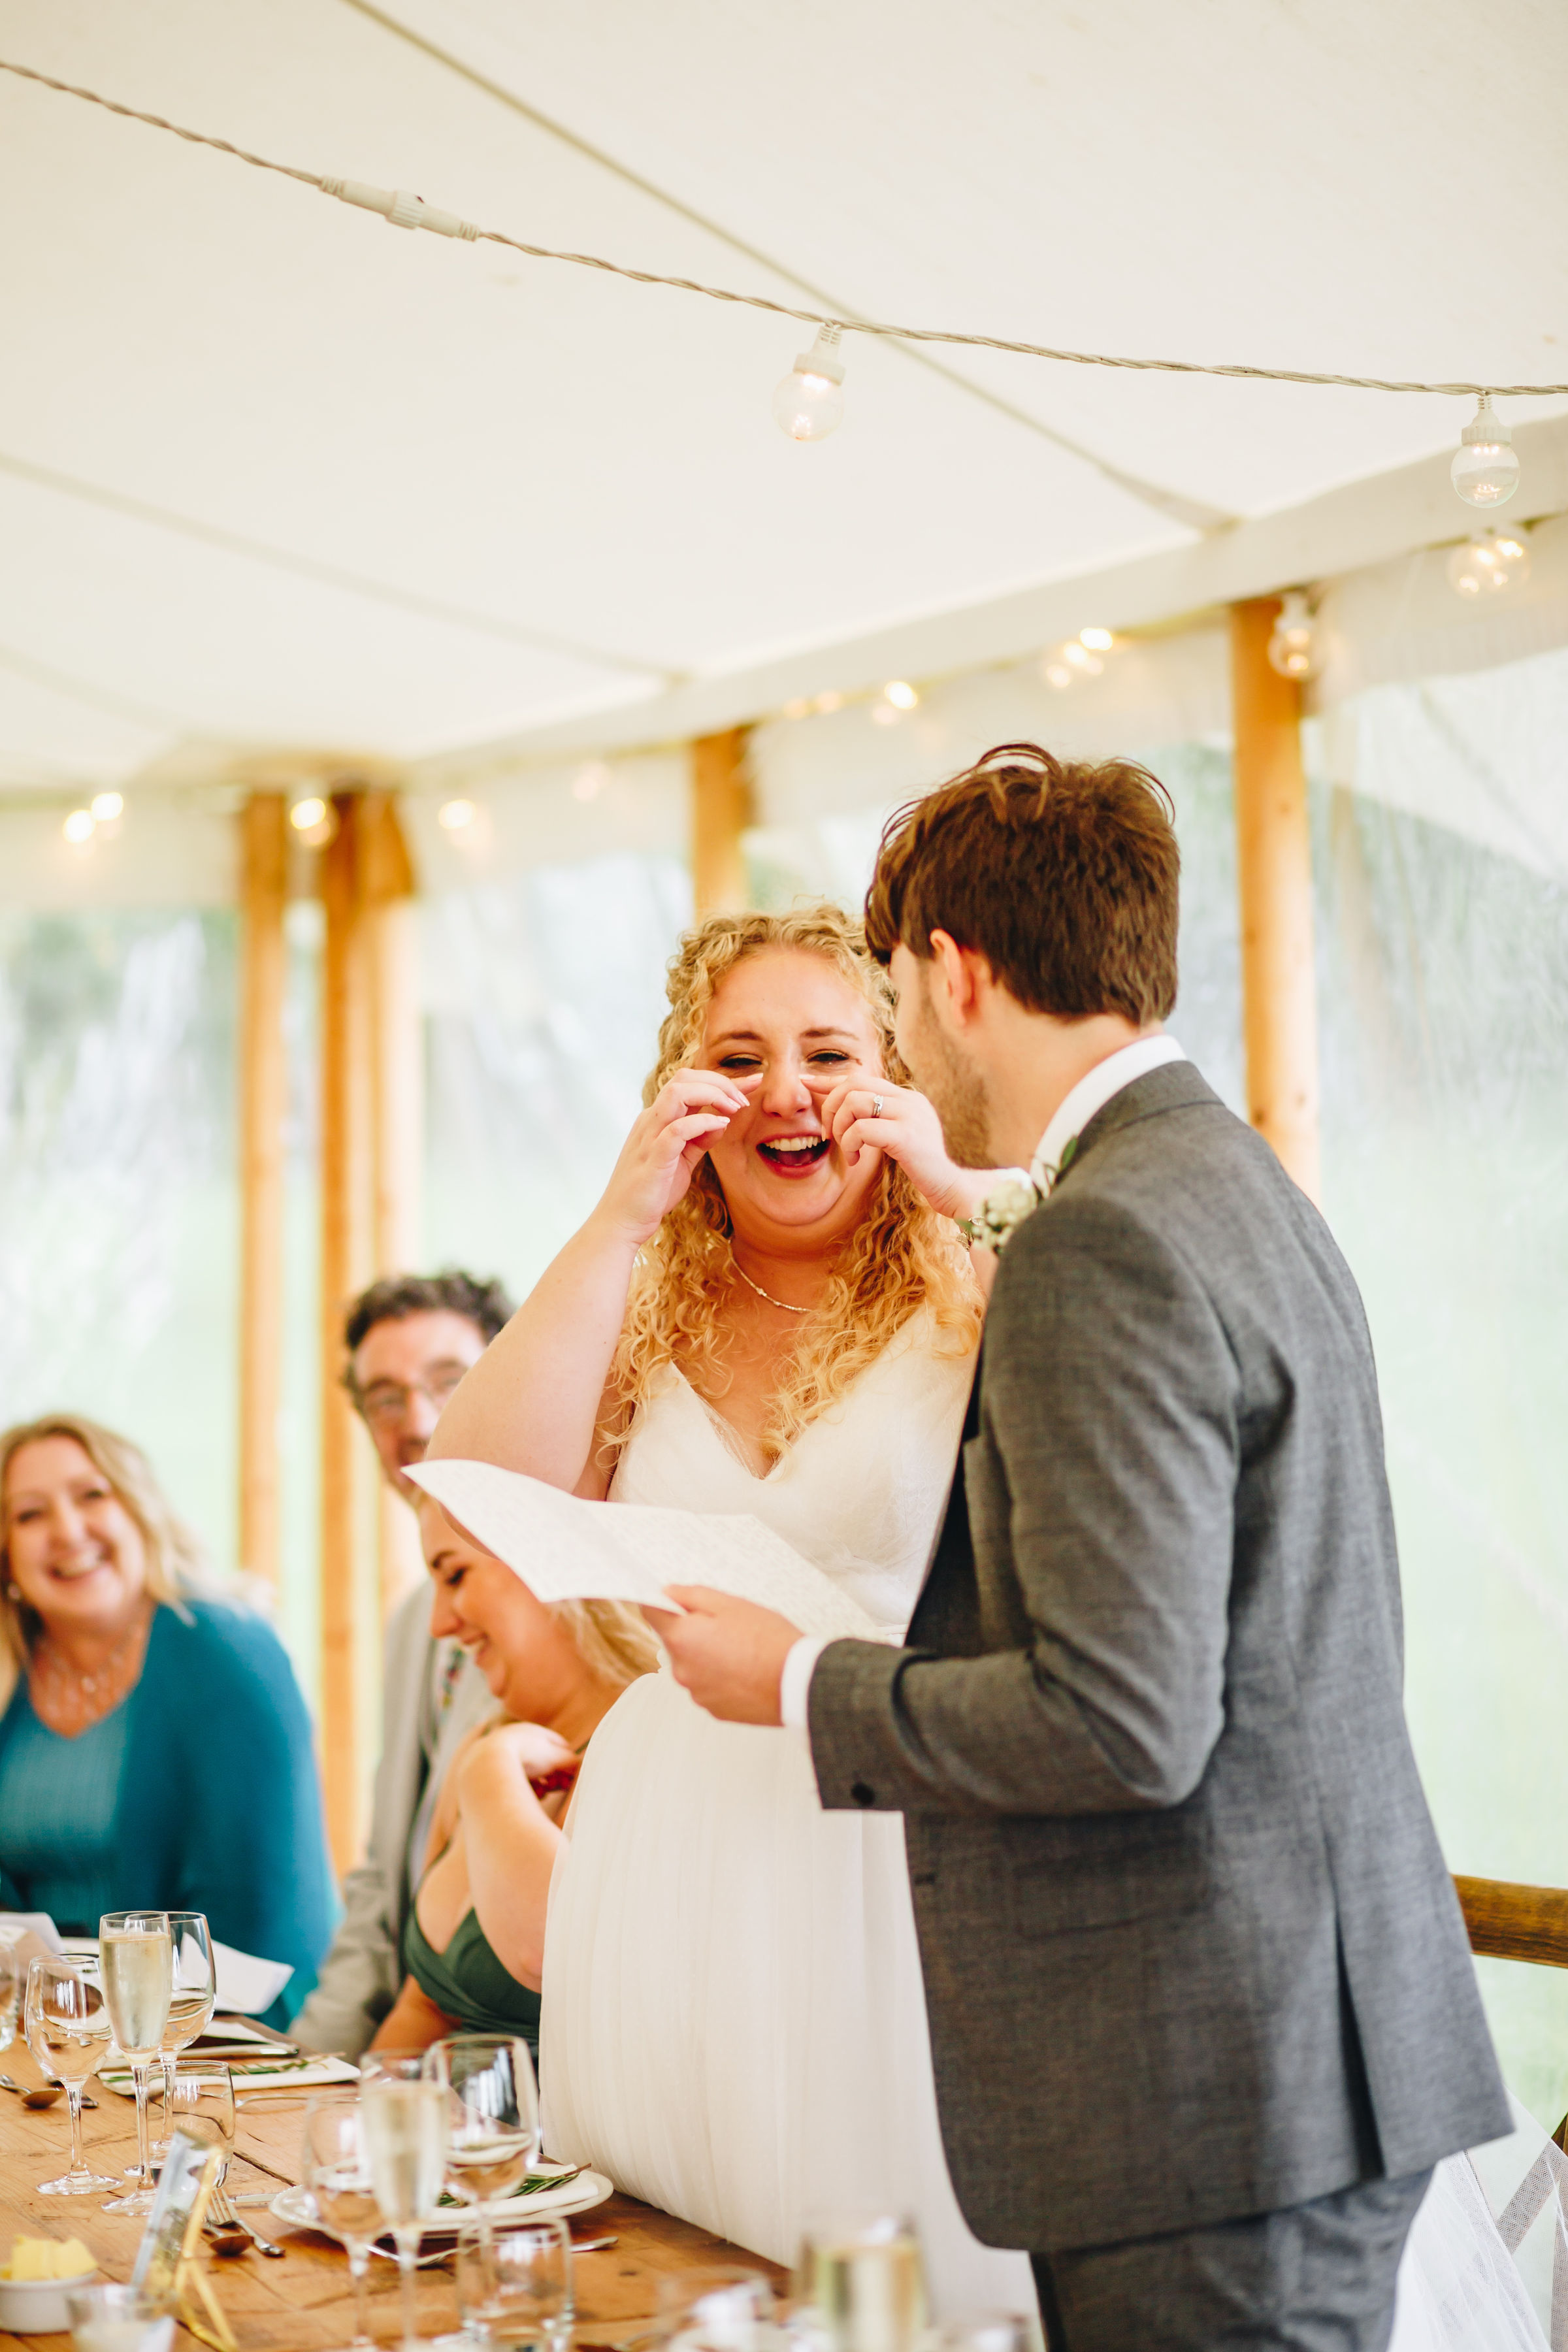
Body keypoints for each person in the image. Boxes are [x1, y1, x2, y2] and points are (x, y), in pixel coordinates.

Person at [653, 745, 1514, 2352]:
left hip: (1205, 2104)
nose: (902, 1049)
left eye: (893, 1002)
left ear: (956, 975)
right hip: (1297, 2068)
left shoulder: (1097, 1241)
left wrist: (796, 1681)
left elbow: (1121, 1718)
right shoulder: (1226, 1177)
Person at [429, 903, 1036, 2312]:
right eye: (739, 1058)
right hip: (676, 1860)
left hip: (899, 1836)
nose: (785, 1093)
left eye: (830, 1053)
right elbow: (484, 1491)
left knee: (898, 2275)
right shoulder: (644, 1301)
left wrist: (956, 1184)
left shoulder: (977, 1270)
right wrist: (620, 1214)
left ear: (893, 1075)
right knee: (682, 2270)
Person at [0, 1414, 335, 2027]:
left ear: (140, 1510)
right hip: (43, 2039)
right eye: (30, 1514)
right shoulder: (9, 1674)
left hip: (208, 2039)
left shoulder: (229, 1650)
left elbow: (266, 1916)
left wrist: (135, 2036)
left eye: (92, 1495)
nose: (67, 1531)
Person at [293, 1271, 511, 2057]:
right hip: (402, 2064)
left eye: (448, 1381)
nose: (415, 1422)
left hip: (507, 2070)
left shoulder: (572, 1607)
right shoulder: (415, 1620)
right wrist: (306, 2067)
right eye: (384, 1399)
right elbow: (383, 1887)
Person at [368, 1497, 659, 2057]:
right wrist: (367, 2105)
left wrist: (488, 1776)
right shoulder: (482, 1743)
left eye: (456, 1575)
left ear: (549, 1558)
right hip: (447, 2112)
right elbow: (422, 2009)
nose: (439, 1624)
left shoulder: (650, 1748)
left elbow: (546, 1949)